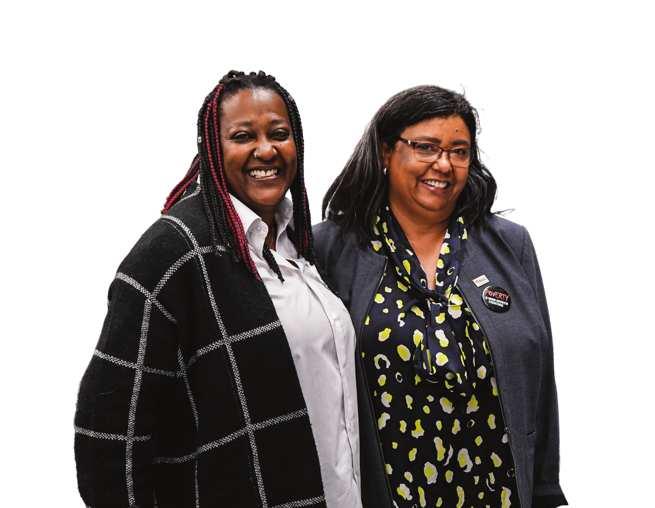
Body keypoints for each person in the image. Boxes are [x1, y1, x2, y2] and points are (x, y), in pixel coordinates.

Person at [75, 71, 361, 508]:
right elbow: (108, 434)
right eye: (243, 136)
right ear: (212, 147)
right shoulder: (173, 253)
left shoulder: (301, 244)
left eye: (279, 134)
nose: (266, 150)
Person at [314, 85, 567, 508]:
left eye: (459, 151)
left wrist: (544, 490)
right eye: (426, 147)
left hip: (497, 494)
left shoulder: (510, 246)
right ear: (385, 151)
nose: (444, 164)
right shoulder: (329, 250)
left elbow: (540, 381)